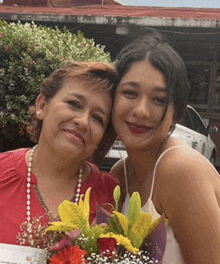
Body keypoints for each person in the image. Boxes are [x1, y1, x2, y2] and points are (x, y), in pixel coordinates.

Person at [111, 29, 220, 264]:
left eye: (159, 99)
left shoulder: (181, 171)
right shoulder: (120, 174)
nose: (141, 110)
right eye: (130, 93)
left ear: (175, 113)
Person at [0, 61, 119, 247]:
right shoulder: (2, 173)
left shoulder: (112, 197)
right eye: (74, 104)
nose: (83, 122)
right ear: (42, 105)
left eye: (98, 118)